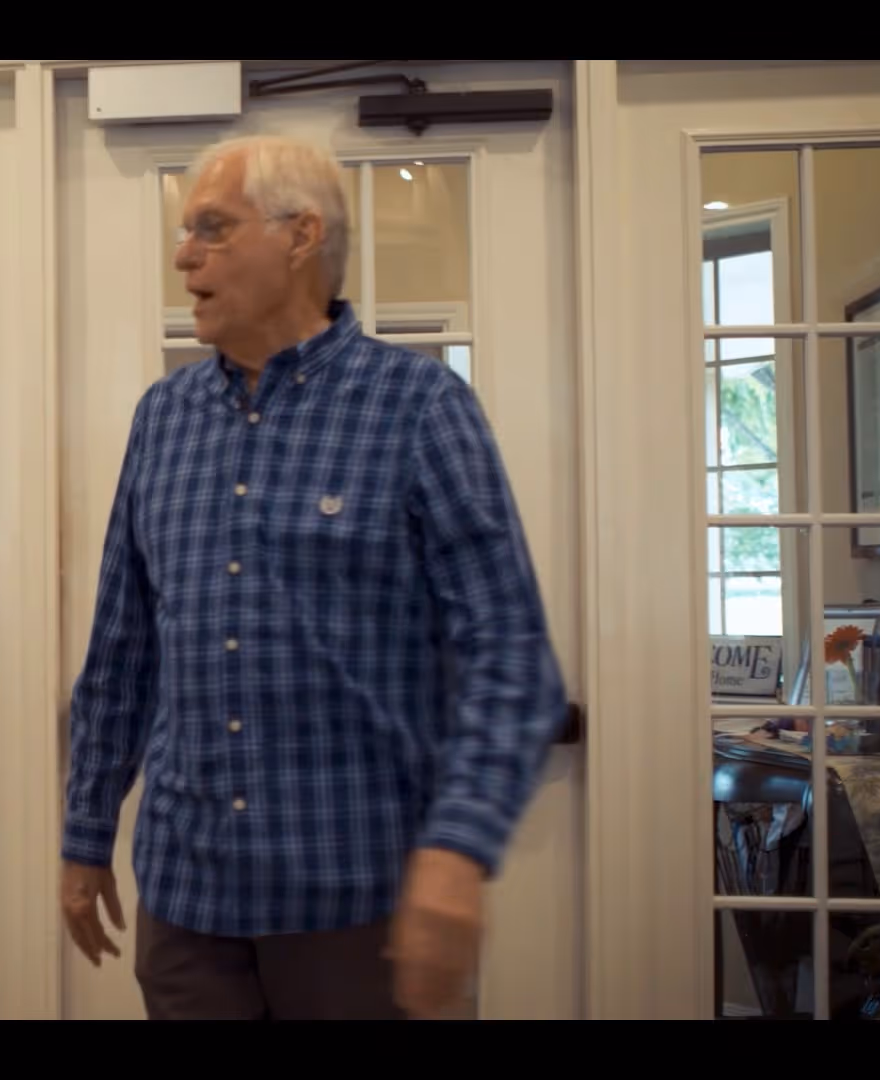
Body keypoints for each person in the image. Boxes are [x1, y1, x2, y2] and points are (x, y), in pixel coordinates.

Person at [59, 134, 566, 1021]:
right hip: (189, 910)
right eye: (185, 233)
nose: (183, 257)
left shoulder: (419, 408)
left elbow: (510, 658)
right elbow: (123, 646)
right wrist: (86, 831)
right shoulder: (163, 418)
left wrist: (458, 850)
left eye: (212, 229)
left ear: (300, 237)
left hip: (359, 910)